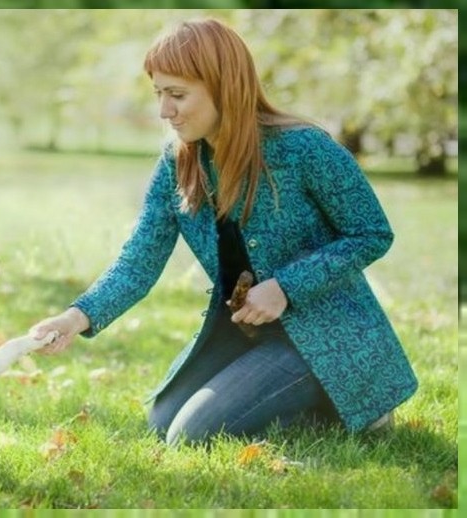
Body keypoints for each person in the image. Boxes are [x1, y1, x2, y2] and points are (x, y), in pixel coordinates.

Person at [30, 18, 418, 445]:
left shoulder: (305, 149)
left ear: (225, 87)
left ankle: (354, 401)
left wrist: (285, 287)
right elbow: (139, 260)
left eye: (177, 95)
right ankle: (306, 401)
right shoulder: (177, 163)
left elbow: (371, 233)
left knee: (191, 436)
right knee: (162, 422)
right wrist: (74, 318)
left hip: (326, 338)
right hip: (248, 332)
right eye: (159, 93)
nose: (164, 111)